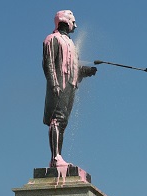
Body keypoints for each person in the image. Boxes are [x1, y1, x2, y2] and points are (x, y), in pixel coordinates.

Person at [42, 10, 97, 167]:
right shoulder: (52, 39)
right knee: (57, 119)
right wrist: (54, 83)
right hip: (59, 85)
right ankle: (55, 157)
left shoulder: (71, 43)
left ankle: (59, 155)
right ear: (65, 21)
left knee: (63, 122)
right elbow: (49, 63)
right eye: (74, 22)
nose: (76, 25)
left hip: (71, 86)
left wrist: (86, 71)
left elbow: (73, 67)